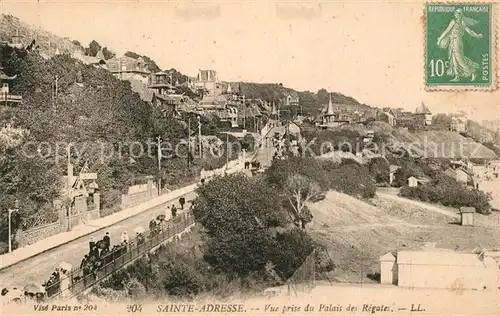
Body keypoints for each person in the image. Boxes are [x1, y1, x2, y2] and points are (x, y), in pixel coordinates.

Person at [437, 8, 483, 82]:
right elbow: (447, 31)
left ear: (460, 15)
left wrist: (477, 36)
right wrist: (440, 39)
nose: (457, 15)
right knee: (453, 58)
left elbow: (470, 32)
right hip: (453, 42)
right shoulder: (454, 22)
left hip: (457, 42)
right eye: (456, 13)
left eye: (458, 14)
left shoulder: (461, 22)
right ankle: (457, 76)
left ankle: (472, 71)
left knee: (459, 58)